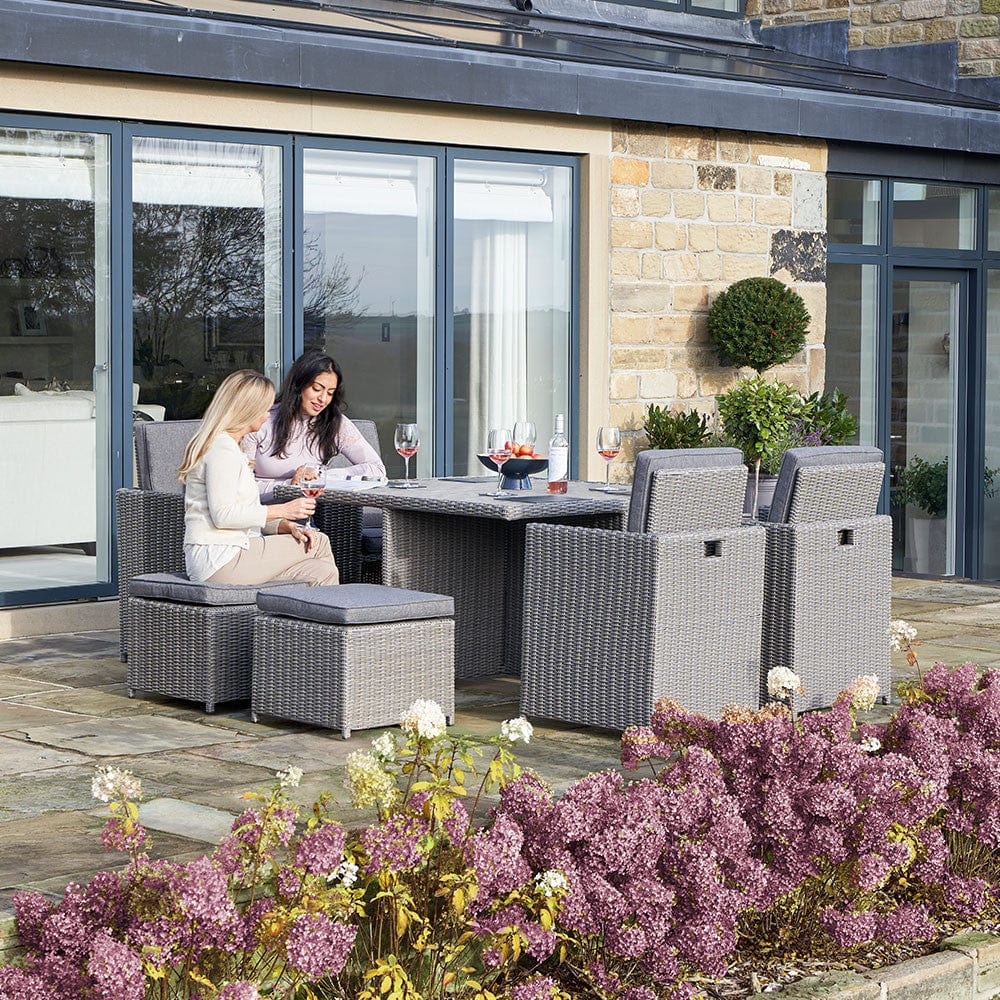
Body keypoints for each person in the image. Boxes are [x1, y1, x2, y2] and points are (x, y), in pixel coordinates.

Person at [178, 369, 340, 586]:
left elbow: (244, 515)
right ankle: (338, 613)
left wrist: (284, 525)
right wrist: (284, 510)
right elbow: (224, 516)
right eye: (265, 408)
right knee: (319, 542)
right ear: (248, 410)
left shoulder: (231, 447)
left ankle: (295, 619)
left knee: (322, 571)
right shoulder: (222, 450)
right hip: (220, 559)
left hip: (235, 552)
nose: (267, 415)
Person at [243, 350, 386, 501]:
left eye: (330, 393)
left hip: (307, 514)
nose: (323, 399)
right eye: (317, 389)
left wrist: (321, 475)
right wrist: (291, 485)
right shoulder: (263, 419)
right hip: (262, 515)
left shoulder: (335, 422)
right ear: (299, 385)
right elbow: (240, 488)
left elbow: (377, 469)